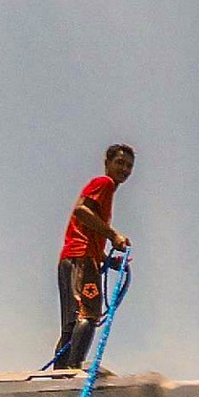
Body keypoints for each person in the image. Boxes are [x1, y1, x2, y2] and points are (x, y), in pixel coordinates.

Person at [53, 144, 133, 369]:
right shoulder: (104, 183)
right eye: (119, 163)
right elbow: (81, 211)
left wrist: (106, 258)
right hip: (81, 258)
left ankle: (60, 374)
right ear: (107, 163)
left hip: (78, 257)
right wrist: (113, 235)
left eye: (129, 166)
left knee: (72, 323)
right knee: (88, 315)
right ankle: (73, 368)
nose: (124, 169)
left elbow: (87, 230)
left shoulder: (107, 191)